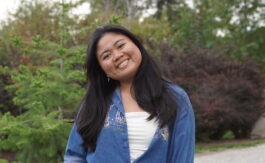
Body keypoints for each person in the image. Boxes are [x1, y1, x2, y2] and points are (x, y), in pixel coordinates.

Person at [64, 24, 195, 163]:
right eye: (106, 56)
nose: (117, 55)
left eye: (120, 46)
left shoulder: (175, 98)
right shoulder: (93, 103)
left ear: (136, 44)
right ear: (101, 68)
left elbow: (182, 157)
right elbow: (75, 157)